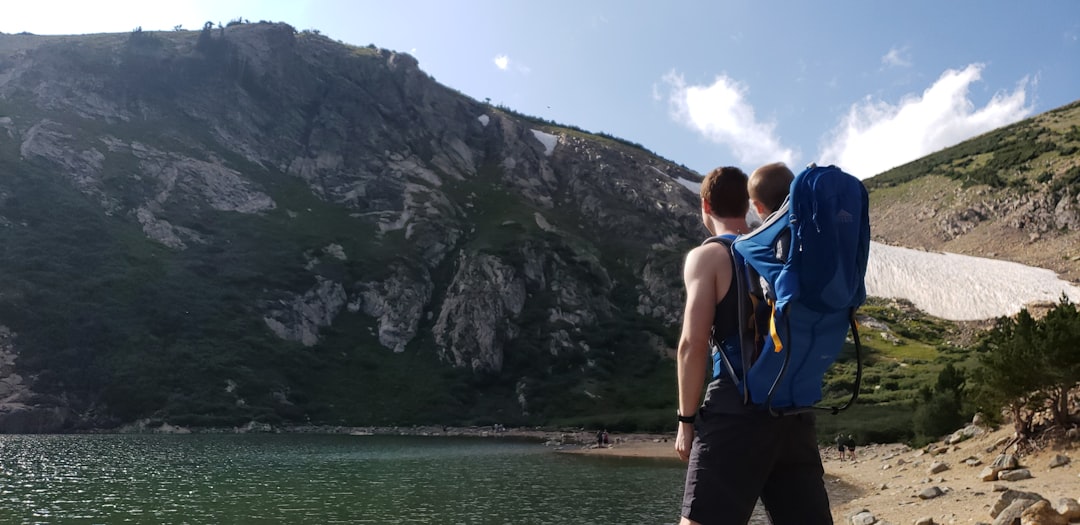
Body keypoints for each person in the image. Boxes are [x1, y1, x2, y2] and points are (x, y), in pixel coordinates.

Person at [676, 165, 832, 525]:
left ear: (705, 205)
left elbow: (692, 344)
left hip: (737, 408)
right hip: (793, 410)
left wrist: (686, 420)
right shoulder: (780, 252)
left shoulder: (710, 256)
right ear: (748, 205)